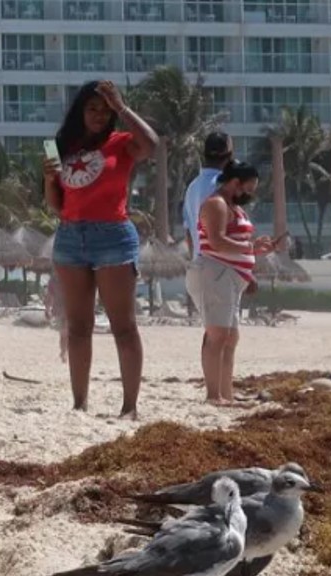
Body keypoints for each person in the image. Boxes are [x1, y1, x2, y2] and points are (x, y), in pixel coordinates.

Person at [43, 80, 158, 419]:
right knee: (78, 327)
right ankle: (79, 403)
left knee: (123, 326)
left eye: (105, 110)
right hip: (70, 236)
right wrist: (49, 179)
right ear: (80, 110)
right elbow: (57, 206)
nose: (98, 115)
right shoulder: (58, 146)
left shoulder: (121, 142)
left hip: (113, 235)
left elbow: (151, 144)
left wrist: (122, 108)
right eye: (92, 108)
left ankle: (130, 406)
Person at [186, 161, 274, 406]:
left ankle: (226, 393)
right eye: (248, 187)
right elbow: (216, 241)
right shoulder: (216, 204)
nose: (250, 193)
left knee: (230, 336)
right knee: (217, 335)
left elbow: (234, 241)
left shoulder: (232, 206)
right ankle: (214, 395)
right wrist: (250, 248)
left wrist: (254, 250)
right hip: (215, 274)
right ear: (235, 183)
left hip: (230, 277)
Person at [183, 132, 233, 260]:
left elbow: (189, 232)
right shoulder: (226, 185)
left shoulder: (192, 187)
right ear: (229, 155)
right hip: (221, 266)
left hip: (199, 265)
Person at [44, 272, 68, 363]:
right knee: (64, 333)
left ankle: (65, 352)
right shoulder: (54, 279)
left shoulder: (55, 278)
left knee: (66, 332)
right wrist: (47, 309)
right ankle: (64, 352)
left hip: (71, 308)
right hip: (60, 309)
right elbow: (49, 295)